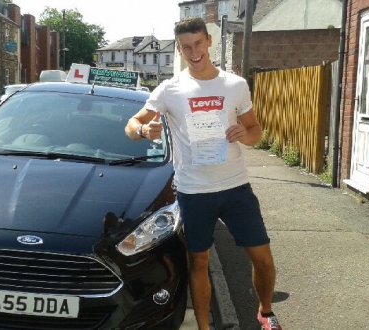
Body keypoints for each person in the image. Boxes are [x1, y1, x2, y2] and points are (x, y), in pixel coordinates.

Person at [124, 17, 282, 330]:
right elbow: (130, 126)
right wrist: (144, 129)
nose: (193, 52)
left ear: (208, 41)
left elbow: (255, 131)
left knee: (262, 257)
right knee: (199, 261)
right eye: (186, 47)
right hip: (193, 192)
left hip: (235, 187)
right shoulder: (170, 89)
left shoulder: (235, 85)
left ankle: (265, 311)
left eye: (198, 43)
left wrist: (243, 134)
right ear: (180, 51)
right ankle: (205, 327)